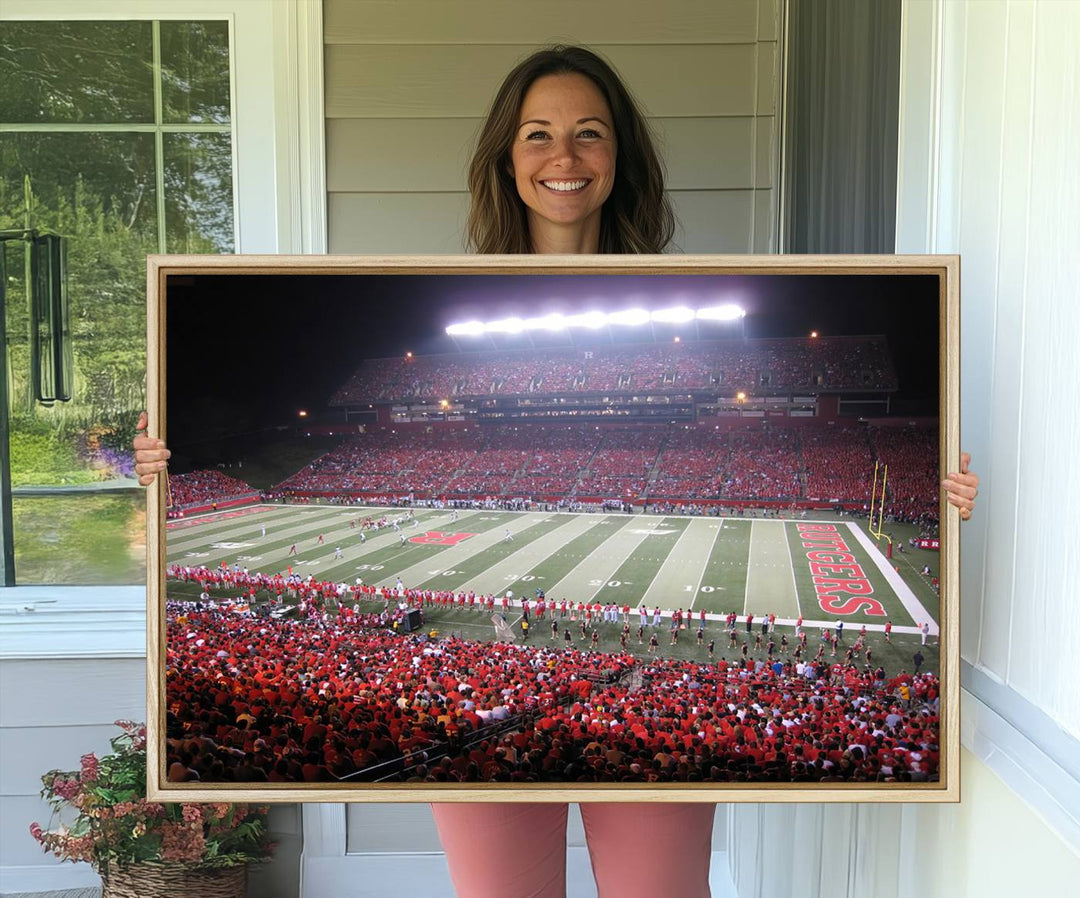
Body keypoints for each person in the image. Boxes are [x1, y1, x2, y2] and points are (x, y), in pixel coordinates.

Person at [133, 44, 981, 898]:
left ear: (621, 157)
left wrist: (941, 497)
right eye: (537, 134)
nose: (563, 156)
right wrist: (158, 463)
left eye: (589, 133)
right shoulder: (448, 294)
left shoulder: (698, 290)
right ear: (506, 157)